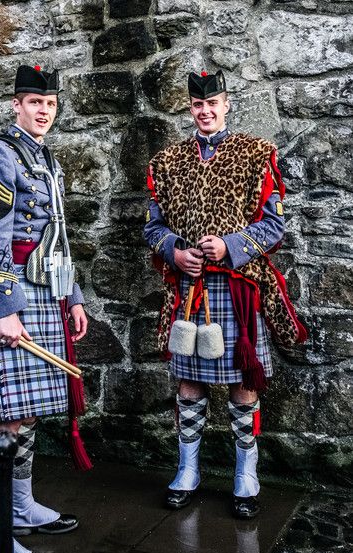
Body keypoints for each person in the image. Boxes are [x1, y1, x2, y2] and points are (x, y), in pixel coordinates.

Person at [144, 70, 307, 519]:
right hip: (188, 289)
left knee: (242, 382)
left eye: (213, 102)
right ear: (189, 108)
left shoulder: (257, 154)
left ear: (227, 104)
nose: (206, 110)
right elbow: (152, 226)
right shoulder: (167, 162)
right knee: (189, 381)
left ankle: (245, 475)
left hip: (237, 287)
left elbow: (274, 225)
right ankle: (188, 470)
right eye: (198, 104)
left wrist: (230, 247)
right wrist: (175, 251)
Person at [0, 64, 88, 553]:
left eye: (51, 103)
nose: (44, 111)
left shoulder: (46, 159)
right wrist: (5, 309)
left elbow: (57, 236)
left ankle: (20, 509)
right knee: (2, 421)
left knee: (30, 413)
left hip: (46, 291)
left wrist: (74, 295)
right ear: (16, 103)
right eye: (34, 102)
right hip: (11, 296)